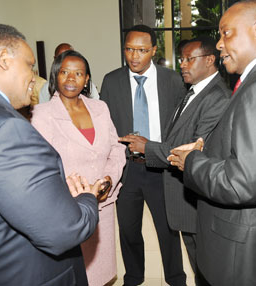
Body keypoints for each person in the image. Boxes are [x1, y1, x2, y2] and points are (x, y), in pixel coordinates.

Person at [0, 24, 103, 285]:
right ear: (5, 60)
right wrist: (87, 198)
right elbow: (64, 231)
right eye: (30, 65)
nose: (34, 77)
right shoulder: (6, 129)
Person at [168, 1, 256, 285]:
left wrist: (192, 162)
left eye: (227, 33)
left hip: (250, 256)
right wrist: (207, 149)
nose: (220, 44)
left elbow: (245, 182)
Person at [119, 36, 230, 285]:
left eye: (190, 59)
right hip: (182, 187)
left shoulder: (216, 98)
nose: (183, 64)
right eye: (182, 59)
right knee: (198, 261)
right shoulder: (193, 90)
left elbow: (192, 149)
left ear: (210, 60)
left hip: (198, 192)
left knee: (207, 264)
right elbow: (178, 134)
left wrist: (148, 147)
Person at [100, 24, 187, 286]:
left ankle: (176, 279)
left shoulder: (172, 80)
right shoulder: (111, 81)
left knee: (168, 230)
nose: (134, 56)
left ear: (153, 50)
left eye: (141, 50)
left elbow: (183, 123)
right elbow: (107, 127)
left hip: (162, 167)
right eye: (129, 49)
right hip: (127, 169)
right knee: (128, 230)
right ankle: (134, 277)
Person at [31, 50, 126, 286]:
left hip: (102, 203)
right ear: (56, 76)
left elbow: (116, 147)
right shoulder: (42, 114)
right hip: (67, 208)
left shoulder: (100, 108)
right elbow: (41, 164)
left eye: (78, 73)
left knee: (101, 271)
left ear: (87, 80)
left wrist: (108, 179)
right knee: (76, 273)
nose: (71, 78)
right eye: (64, 72)